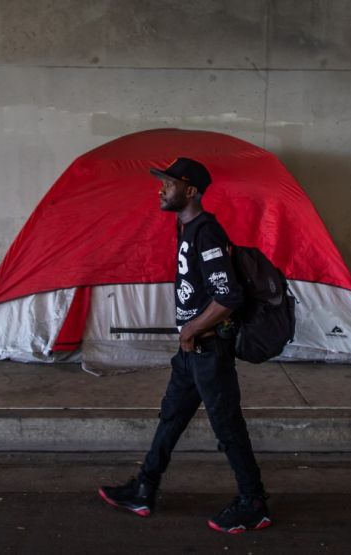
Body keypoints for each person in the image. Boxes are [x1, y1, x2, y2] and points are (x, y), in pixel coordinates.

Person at [98, 157, 271, 534]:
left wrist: (191, 330)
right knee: (172, 416)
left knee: (227, 426)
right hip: (193, 350)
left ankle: (253, 503)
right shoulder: (186, 226)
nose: (160, 189)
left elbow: (228, 296)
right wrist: (189, 336)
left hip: (208, 349)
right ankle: (145, 487)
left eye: (168, 183)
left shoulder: (206, 231)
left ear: (190, 190)